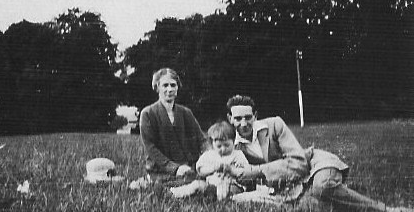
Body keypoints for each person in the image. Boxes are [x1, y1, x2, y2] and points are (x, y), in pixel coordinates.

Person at [224, 94, 413, 212]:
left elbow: (299, 163)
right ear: (230, 119)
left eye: (248, 117)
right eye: (238, 118)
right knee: (311, 207)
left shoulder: (274, 125)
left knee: (323, 188)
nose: (244, 123)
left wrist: (257, 170)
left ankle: (387, 209)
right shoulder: (232, 148)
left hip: (315, 164)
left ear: (255, 116)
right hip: (294, 187)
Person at [140, 68, 207, 182]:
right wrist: (174, 168)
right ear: (157, 88)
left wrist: (209, 158)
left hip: (188, 168)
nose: (169, 89)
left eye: (173, 85)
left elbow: (202, 140)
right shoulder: (148, 113)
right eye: (165, 85)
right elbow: (151, 148)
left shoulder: (186, 112)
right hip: (161, 171)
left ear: (177, 88)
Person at [170, 121, 249, 199]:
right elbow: (200, 170)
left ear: (233, 141)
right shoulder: (209, 155)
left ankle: (216, 195)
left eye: (227, 145)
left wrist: (232, 170)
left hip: (232, 184)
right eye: (219, 146)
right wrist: (213, 169)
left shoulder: (238, 155)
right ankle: (179, 192)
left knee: (232, 191)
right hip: (211, 184)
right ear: (212, 143)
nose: (223, 149)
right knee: (197, 184)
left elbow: (245, 172)